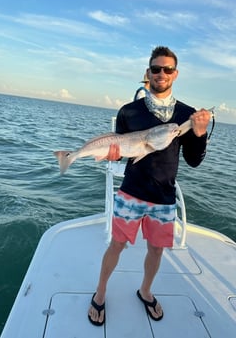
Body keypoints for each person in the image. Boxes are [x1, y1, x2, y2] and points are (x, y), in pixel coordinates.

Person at [88, 46, 211, 326]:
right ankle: (101, 292)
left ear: (175, 74)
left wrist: (200, 133)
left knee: (156, 249)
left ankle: (145, 291)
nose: (161, 74)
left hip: (165, 198)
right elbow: (118, 147)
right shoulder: (129, 111)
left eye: (167, 69)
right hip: (132, 191)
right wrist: (112, 153)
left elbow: (193, 161)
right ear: (148, 72)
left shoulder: (187, 115)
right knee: (116, 244)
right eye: (156, 69)